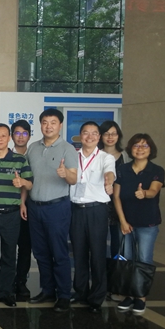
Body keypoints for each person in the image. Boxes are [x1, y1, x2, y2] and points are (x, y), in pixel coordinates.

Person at [26, 109, 78, 313]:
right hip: (34, 206)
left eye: (53, 122)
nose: (49, 126)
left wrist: (66, 174)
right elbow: (28, 178)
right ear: (40, 125)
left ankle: (64, 294)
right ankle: (47, 290)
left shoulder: (68, 149)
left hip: (57, 207)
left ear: (60, 125)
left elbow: (74, 179)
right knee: (40, 252)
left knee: (59, 252)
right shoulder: (33, 147)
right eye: (45, 122)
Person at [0, 124, 32, 308]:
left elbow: (29, 184)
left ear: (9, 138)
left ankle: (6, 293)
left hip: (12, 214)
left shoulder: (20, 159)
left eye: (3, 136)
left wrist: (22, 181)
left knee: (9, 255)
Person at [113, 133, 164, 314]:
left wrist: (145, 193)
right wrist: (122, 221)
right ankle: (128, 295)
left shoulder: (156, 170)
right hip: (126, 223)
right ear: (130, 149)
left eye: (144, 146)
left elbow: (154, 191)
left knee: (143, 259)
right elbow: (116, 196)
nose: (140, 149)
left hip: (147, 224)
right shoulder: (122, 169)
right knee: (126, 259)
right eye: (136, 145)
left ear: (151, 150)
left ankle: (140, 297)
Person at [69, 121, 115, 313]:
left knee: (97, 254)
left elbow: (110, 173)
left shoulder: (106, 157)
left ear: (99, 137)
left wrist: (109, 181)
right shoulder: (72, 156)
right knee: (78, 253)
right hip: (76, 210)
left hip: (97, 210)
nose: (90, 137)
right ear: (80, 136)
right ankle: (80, 292)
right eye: (86, 133)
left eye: (94, 133)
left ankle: (97, 297)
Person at [99, 120, 130, 264]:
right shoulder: (96, 155)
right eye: (106, 134)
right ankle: (101, 270)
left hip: (120, 204)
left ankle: (116, 271)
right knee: (99, 241)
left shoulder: (126, 156)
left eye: (114, 134)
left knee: (118, 241)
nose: (110, 137)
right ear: (101, 136)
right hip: (100, 204)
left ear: (119, 136)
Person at [10, 119, 33, 299]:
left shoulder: (34, 155)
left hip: (31, 207)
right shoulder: (6, 156)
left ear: (29, 136)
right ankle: (9, 281)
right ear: (12, 136)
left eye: (24, 133)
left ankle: (21, 281)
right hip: (11, 207)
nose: (20, 137)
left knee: (25, 246)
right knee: (9, 247)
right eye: (17, 133)